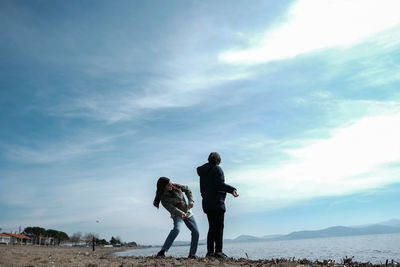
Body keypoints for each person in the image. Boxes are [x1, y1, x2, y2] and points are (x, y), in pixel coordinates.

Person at [197, 152, 239, 258]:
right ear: (218, 160)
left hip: (206, 203)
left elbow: (202, 189)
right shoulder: (217, 169)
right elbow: (220, 185)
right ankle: (218, 251)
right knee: (219, 227)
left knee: (212, 227)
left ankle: (210, 252)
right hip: (217, 203)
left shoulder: (203, 172)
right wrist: (232, 189)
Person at [153, 177, 199, 258]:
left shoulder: (176, 187)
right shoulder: (163, 199)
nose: (171, 185)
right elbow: (172, 209)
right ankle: (162, 251)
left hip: (187, 212)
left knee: (196, 232)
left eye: (170, 183)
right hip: (177, 214)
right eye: (168, 185)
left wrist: (190, 201)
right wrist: (181, 214)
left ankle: (192, 255)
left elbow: (188, 189)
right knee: (177, 229)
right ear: (163, 187)